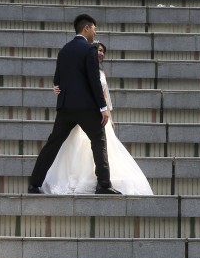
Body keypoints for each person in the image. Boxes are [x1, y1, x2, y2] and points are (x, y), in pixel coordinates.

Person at [43, 41, 153, 195]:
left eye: (103, 51)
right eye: (98, 50)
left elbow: (105, 95)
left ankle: (102, 180)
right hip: (86, 114)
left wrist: (109, 115)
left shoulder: (101, 74)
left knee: (103, 150)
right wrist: (56, 86)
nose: (100, 53)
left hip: (101, 116)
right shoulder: (83, 70)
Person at [28, 14, 119, 195]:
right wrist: (103, 107)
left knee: (52, 144)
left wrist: (62, 92)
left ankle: (34, 183)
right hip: (87, 108)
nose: (95, 32)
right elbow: (94, 80)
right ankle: (104, 184)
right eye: (94, 29)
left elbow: (57, 81)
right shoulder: (89, 49)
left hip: (66, 107)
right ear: (86, 28)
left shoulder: (64, 50)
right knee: (99, 142)